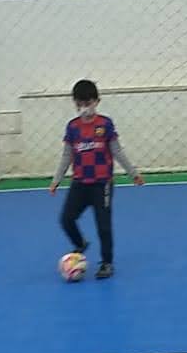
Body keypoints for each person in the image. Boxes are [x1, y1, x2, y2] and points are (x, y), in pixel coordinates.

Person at [49, 79, 144, 280]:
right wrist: (56, 179)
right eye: (80, 104)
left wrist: (133, 173)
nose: (85, 108)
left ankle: (106, 263)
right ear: (75, 104)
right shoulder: (72, 127)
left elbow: (117, 151)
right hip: (79, 183)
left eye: (88, 103)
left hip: (102, 184)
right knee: (66, 219)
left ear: (97, 102)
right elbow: (67, 155)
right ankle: (80, 243)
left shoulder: (105, 124)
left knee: (103, 226)